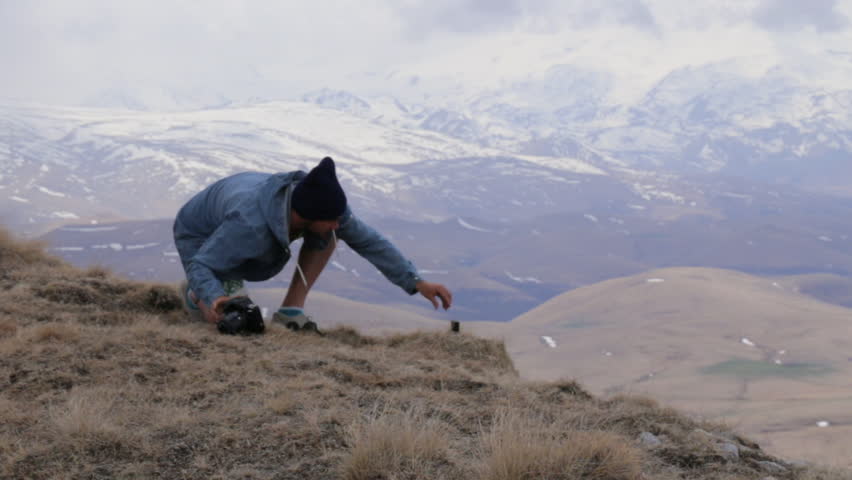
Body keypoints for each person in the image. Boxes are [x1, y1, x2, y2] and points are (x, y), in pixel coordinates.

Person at [173, 156, 453, 332]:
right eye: (330, 219)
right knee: (233, 319)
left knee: (328, 236)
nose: (336, 223)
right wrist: (214, 296)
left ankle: (290, 311)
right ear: (304, 215)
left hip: (241, 230)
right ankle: (195, 296)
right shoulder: (249, 223)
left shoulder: (321, 207)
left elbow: (370, 242)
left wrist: (417, 282)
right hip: (201, 236)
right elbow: (202, 262)